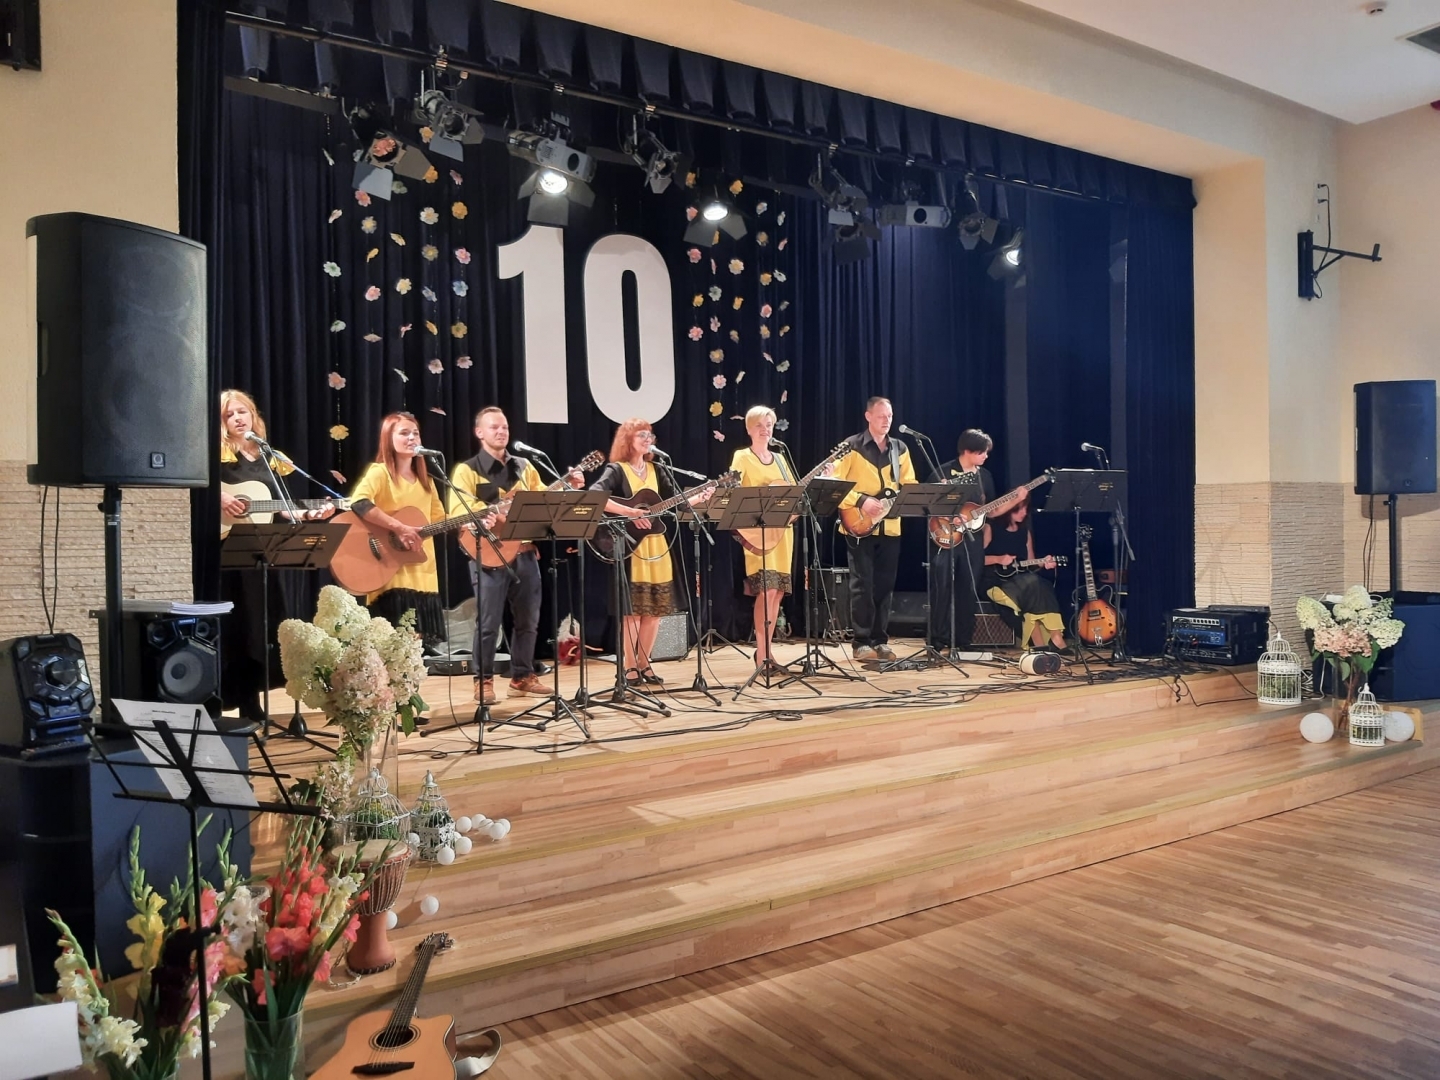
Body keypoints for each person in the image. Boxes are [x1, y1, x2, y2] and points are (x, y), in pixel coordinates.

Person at [448, 407, 581, 706]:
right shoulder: (467, 470)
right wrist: (489, 516)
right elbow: (458, 509)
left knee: (528, 621)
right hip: (488, 553)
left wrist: (567, 488)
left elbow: (542, 501)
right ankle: (483, 680)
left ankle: (522, 676)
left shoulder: (524, 466)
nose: (501, 431)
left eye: (505, 427)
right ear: (479, 432)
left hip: (524, 552)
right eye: (494, 427)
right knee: (488, 623)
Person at [218, 389, 335, 727]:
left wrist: (308, 514)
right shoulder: (216, 455)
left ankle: (253, 701)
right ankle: (232, 701)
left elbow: (281, 505)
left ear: (254, 415)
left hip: (260, 552)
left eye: (243, 412)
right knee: (236, 627)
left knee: (261, 626)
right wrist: (221, 498)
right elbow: (200, 487)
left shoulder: (269, 457)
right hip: (226, 551)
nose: (238, 418)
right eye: (230, 414)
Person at [590, 418, 702, 686]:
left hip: (658, 546)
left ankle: (644, 662)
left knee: (655, 610)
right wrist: (630, 512)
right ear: (627, 439)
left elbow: (678, 503)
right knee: (633, 612)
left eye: (649, 435)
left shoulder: (658, 469)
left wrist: (700, 497)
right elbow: (595, 496)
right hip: (632, 547)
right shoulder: (616, 470)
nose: (647, 439)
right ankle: (629, 666)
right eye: (641, 434)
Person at [348, 412, 447, 647]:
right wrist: (399, 527)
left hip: (423, 571)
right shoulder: (380, 472)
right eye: (404, 433)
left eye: (416, 433)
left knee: (416, 645)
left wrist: (470, 521)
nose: (412, 438)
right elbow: (359, 502)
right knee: (393, 643)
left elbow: (440, 519)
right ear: (388, 438)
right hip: (390, 566)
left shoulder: (426, 480)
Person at [831, 396, 917, 661]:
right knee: (862, 585)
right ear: (868, 416)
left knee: (884, 587)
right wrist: (861, 501)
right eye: (881, 416)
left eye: (889, 416)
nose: (886, 421)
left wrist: (912, 494)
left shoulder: (900, 448)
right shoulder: (851, 446)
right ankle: (861, 641)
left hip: (890, 527)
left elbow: (909, 483)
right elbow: (834, 484)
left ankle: (880, 641)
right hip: (857, 524)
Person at [729, 405, 797, 673]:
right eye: (759, 425)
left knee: (777, 592)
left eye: (768, 425)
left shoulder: (781, 458)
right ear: (749, 429)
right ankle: (762, 654)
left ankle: (766, 651)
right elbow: (733, 492)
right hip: (757, 533)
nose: (765, 429)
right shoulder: (742, 457)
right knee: (766, 590)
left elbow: (792, 494)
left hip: (783, 534)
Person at [928, 429, 996, 651]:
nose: (986, 456)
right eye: (981, 452)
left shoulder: (984, 476)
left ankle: (963, 640)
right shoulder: (944, 472)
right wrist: (950, 516)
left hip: (973, 538)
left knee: (969, 589)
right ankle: (937, 639)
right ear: (967, 451)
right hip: (946, 536)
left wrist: (1015, 499)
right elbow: (928, 506)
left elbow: (989, 508)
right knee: (942, 588)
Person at [983, 495, 1067, 651]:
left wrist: (1043, 563)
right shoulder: (990, 528)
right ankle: (1044, 642)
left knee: (1043, 584)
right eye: (1018, 509)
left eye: (1025, 509)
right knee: (1032, 584)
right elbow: (975, 560)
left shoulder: (1024, 532)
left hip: (1022, 580)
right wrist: (998, 559)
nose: (1023, 513)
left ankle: (1053, 638)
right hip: (996, 582)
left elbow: (1031, 563)